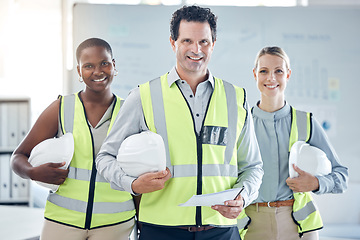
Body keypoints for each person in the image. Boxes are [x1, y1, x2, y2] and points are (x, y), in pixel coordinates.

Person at [95, 5, 263, 240]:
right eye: (187, 41)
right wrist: (132, 185)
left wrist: (243, 197)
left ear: (213, 44)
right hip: (160, 230)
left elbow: (252, 166)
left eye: (204, 41)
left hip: (222, 230)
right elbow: (105, 158)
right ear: (173, 43)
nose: (196, 49)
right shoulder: (144, 96)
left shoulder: (236, 98)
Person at [10, 38, 136, 240]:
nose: (98, 71)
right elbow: (18, 157)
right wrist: (33, 172)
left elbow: (139, 175)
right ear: (79, 71)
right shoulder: (61, 108)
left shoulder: (130, 112)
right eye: (88, 66)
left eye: (104, 63)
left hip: (116, 224)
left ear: (114, 65)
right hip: (62, 221)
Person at [243, 46, 349, 240]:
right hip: (251, 225)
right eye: (264, 71)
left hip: (299, 227)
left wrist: (316, 183)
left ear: (288, 75)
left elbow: (341, 176)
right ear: (255, 74)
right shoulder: (243, 123)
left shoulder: (305, 122)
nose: (271, 78)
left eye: (279, 71)